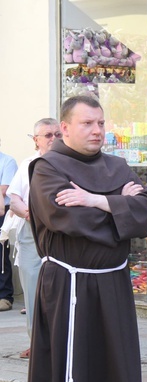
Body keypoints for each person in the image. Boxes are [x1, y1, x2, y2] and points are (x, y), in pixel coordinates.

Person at [21, 95, 147, 382]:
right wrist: (120, 209)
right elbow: (65, 218)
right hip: (68, 285)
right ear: (65, 128)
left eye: (100, 123)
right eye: (87, 124)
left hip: (111, 284)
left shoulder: (115, 165)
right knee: (64, 375)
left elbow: (146, 212)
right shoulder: (47, 168)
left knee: (110, 374)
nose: (97, 130)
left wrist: (98, 200)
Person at [7, 118, 60, 356]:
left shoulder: (70, 162)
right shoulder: (28, 164)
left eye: (57, 134)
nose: (53, 139)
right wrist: (29, 214)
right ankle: (37, 344)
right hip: (32, 231)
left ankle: (61, 343)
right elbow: (14, 198)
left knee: (60, 290)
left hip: (61, 231)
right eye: (47, 135)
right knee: (32, 289)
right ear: (36, 140)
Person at [0, 143, 18, 312]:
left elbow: (4, 189)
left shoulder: (7, 161)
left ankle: (4, 296)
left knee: (1, 254)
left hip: (1, 211)